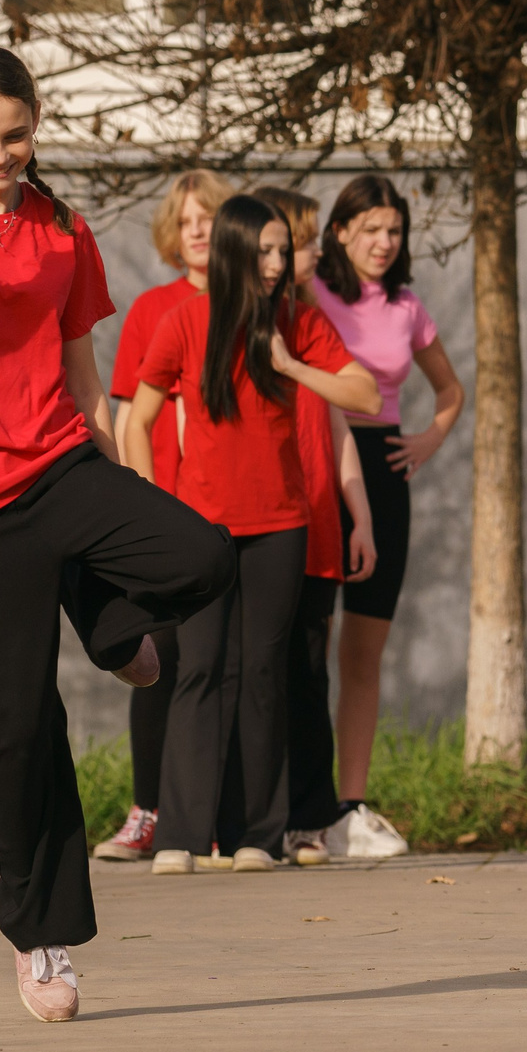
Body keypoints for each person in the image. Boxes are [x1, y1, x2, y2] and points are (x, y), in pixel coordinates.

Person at [0, 46, 236, 1023]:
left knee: (201, 554)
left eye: (13, 136)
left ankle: (109, 624)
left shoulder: (63, 228)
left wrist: (120, 487)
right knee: (23, 727)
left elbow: (84, 373)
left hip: (61, 469)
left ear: (34, 127)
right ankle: (38, 935)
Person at [125, 195, 380, 873]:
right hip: (202, 531)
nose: (276, 263)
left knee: (263, 675)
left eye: (282, 251)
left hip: (281, 528)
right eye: (264, 250)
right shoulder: (185, 320)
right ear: (236, 250)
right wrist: (152, 514)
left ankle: (255, 839)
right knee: (200, 670)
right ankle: (180, 837)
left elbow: (365, 396)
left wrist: (292, 366)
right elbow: (135, 421)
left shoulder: (300, 322)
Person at [311, 174, 466, 859]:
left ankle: (351, 806)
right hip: (320, 467)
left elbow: (450, 389)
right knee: (307, 646)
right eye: (370, 228)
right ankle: (300, 805)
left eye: (394, 230)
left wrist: (429, 438)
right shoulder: (309, 293)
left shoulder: (407, 306)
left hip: (386, 470)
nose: (384, 242)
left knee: (363, 652)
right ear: (340, 231)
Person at [95, 170, 234, 863]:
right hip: (169, 507)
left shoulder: (252, 305)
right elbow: (126, 414)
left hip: (235, 512)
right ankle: (148, 809)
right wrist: (140, 505)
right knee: (158, 658)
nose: (198, 230)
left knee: (225, 667)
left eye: (209, 217)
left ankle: (217, 817)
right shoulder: (153, 309)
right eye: (186, 220)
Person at [250, 185, 380, 868]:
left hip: (315, 521)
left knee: (307, 675)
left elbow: (341, 420)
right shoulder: (232, 319)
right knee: (254, 674)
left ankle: (307, 820)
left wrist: (361, 516)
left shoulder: (311, 324)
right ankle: (248, 821)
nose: (305, 255)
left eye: (300, 243)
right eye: (299, 241)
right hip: (253, 520)